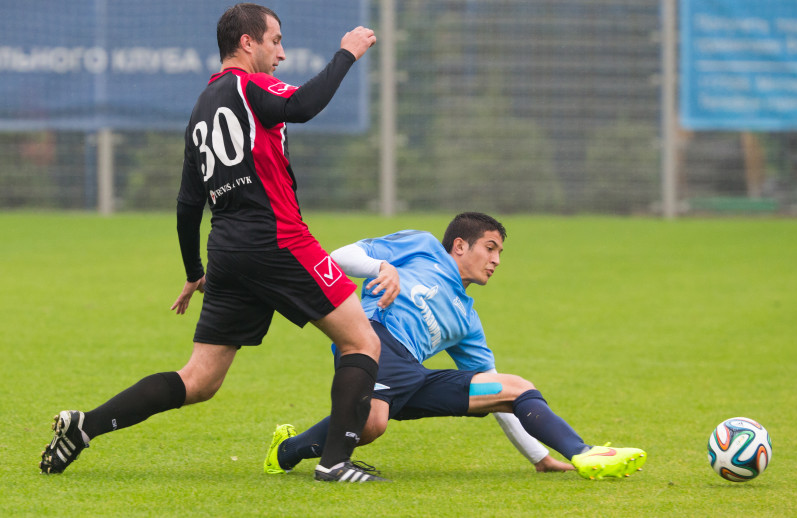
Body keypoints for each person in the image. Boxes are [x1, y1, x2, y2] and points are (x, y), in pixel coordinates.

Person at [40, 3, 385, 483]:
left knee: (198, 379)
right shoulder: (250, 86)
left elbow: (187, 204)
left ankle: (85, 426)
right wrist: (346, 53)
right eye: (275, 41)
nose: (281, 53)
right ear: (248, 43)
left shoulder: (200, 109)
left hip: (227, 250)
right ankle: (334, 462)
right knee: (362, 341)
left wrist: (193, 271)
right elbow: (302, 106)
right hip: (278, 239)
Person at [263, 212, 647, 480]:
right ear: (460, 245)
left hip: (410, 373)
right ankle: (302, 453)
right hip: (374, 343)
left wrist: (539, 456)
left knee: (513, 387)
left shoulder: (467, 322)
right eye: (490, 248)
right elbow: (339, 257)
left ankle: (581, 452)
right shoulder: (423, 247)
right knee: (373, 422)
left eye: (500, 254)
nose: (496, 260)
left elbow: (499, 397)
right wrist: (381, 268)